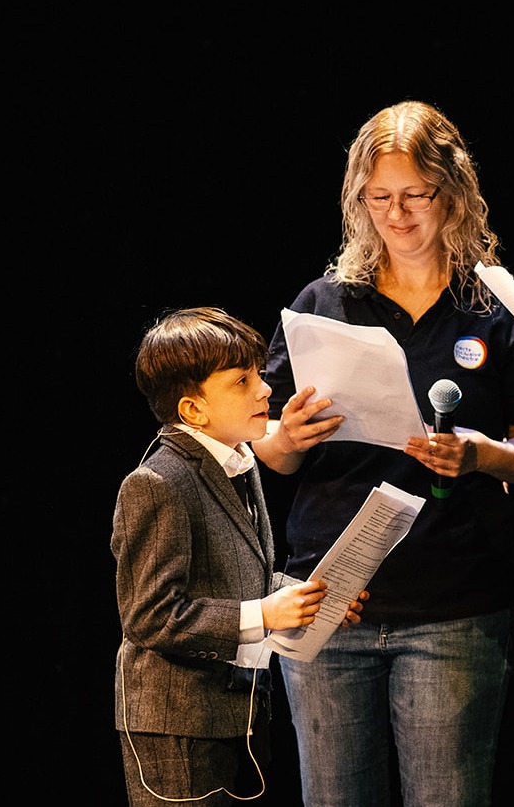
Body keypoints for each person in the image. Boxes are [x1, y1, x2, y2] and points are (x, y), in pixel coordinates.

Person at [252, 100, 514, 807]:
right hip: (331, 601)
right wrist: (287, 439)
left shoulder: (494, 305)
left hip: (452, 603)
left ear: (452, 193)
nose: (396, 215)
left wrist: (485, 455)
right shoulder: (325, 302)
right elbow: (267, 447)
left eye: (414, 196)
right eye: (379, 198)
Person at [113, 306, 368, 807]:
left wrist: (305, 598)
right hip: (178, 728)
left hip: (237, 716)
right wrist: (265, 614)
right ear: (193, 410)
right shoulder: (158, 483)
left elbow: (240, 576)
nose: (265, 390)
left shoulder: (239, 461)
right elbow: (149, 614)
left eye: (260, 374)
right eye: (242, 381)